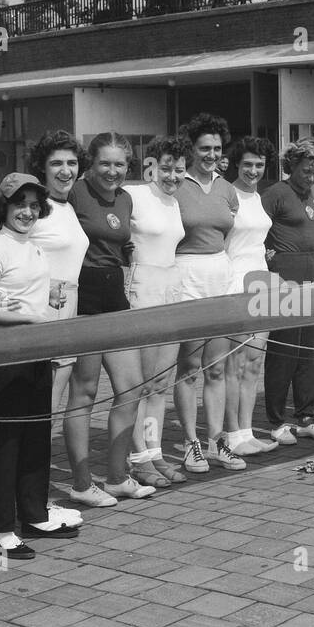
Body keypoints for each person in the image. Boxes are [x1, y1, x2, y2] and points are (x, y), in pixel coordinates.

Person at [0, 173, 82, 559]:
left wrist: (45, 296)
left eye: (35, 205)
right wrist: (32, 316)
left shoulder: (31, 247)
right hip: (5, 360)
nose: (28, 212)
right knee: (5, 446)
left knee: (37, 436)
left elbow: (21, 293)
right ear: (4, 206)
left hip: (36, 353)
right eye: (20, 204)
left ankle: (34, 513)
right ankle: (1, 530)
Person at [65, 132, 155, 506]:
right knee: (84, 391)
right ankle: (82, 484)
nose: (112, 171)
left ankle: (117, 476)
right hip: (83, 296)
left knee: (131, 387)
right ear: (91, 162)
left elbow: (120, 243)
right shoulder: (75, 192)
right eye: (105, 163)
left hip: (114, 293)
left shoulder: (126, 197)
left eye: (120, 164)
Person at [171, 113, 245, 473]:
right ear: (192, 149)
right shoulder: (177, 186)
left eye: (217, 148)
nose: (211, 154)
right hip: (186, 277)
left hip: (220, 277)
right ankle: (190, 443)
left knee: (216, 369)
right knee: (189, 368)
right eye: (204, 148)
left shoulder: (227, 188)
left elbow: (227, 233)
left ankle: (218, 442)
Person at [124, 136, 189, 488]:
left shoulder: (174, 202)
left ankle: (154, 451)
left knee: (162, 382)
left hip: (171, 289)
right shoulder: (135, 195)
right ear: (151, 165)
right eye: (166, 168)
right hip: (144, 288)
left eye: (179, 170)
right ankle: (137, 457)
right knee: (143, 381)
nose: (172, 176)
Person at [261, 139, 314, 445]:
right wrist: (267, 257)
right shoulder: (277, 193)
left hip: (312, 272)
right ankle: (277, 421)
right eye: (306, 171)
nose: (311, 177)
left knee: (312, 349)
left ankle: (306, 416)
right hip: (286, 275)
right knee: (284, 350)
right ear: (292, 166)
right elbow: (253, 230)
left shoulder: (309, 195)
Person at [27, 130, 90, 424]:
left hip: (68, 304)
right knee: (40, 401)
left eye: (72, 163)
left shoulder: (67, 207)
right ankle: (32, 465)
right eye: (56, 164)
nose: (66, 171)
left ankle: (38, 463)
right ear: (42, 166)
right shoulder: (34, 209)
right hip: (43, 307)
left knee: (52, 399)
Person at [223, 136, 280, 456]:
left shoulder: (260, 197)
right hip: (234, 284)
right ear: (237, 163)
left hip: (262, 283)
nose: (253, 170)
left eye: (259, 165)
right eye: (247, 164)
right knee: (234, 365)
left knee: (254, 363)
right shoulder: (227, 195)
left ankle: (246, 431)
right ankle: (232, 435)